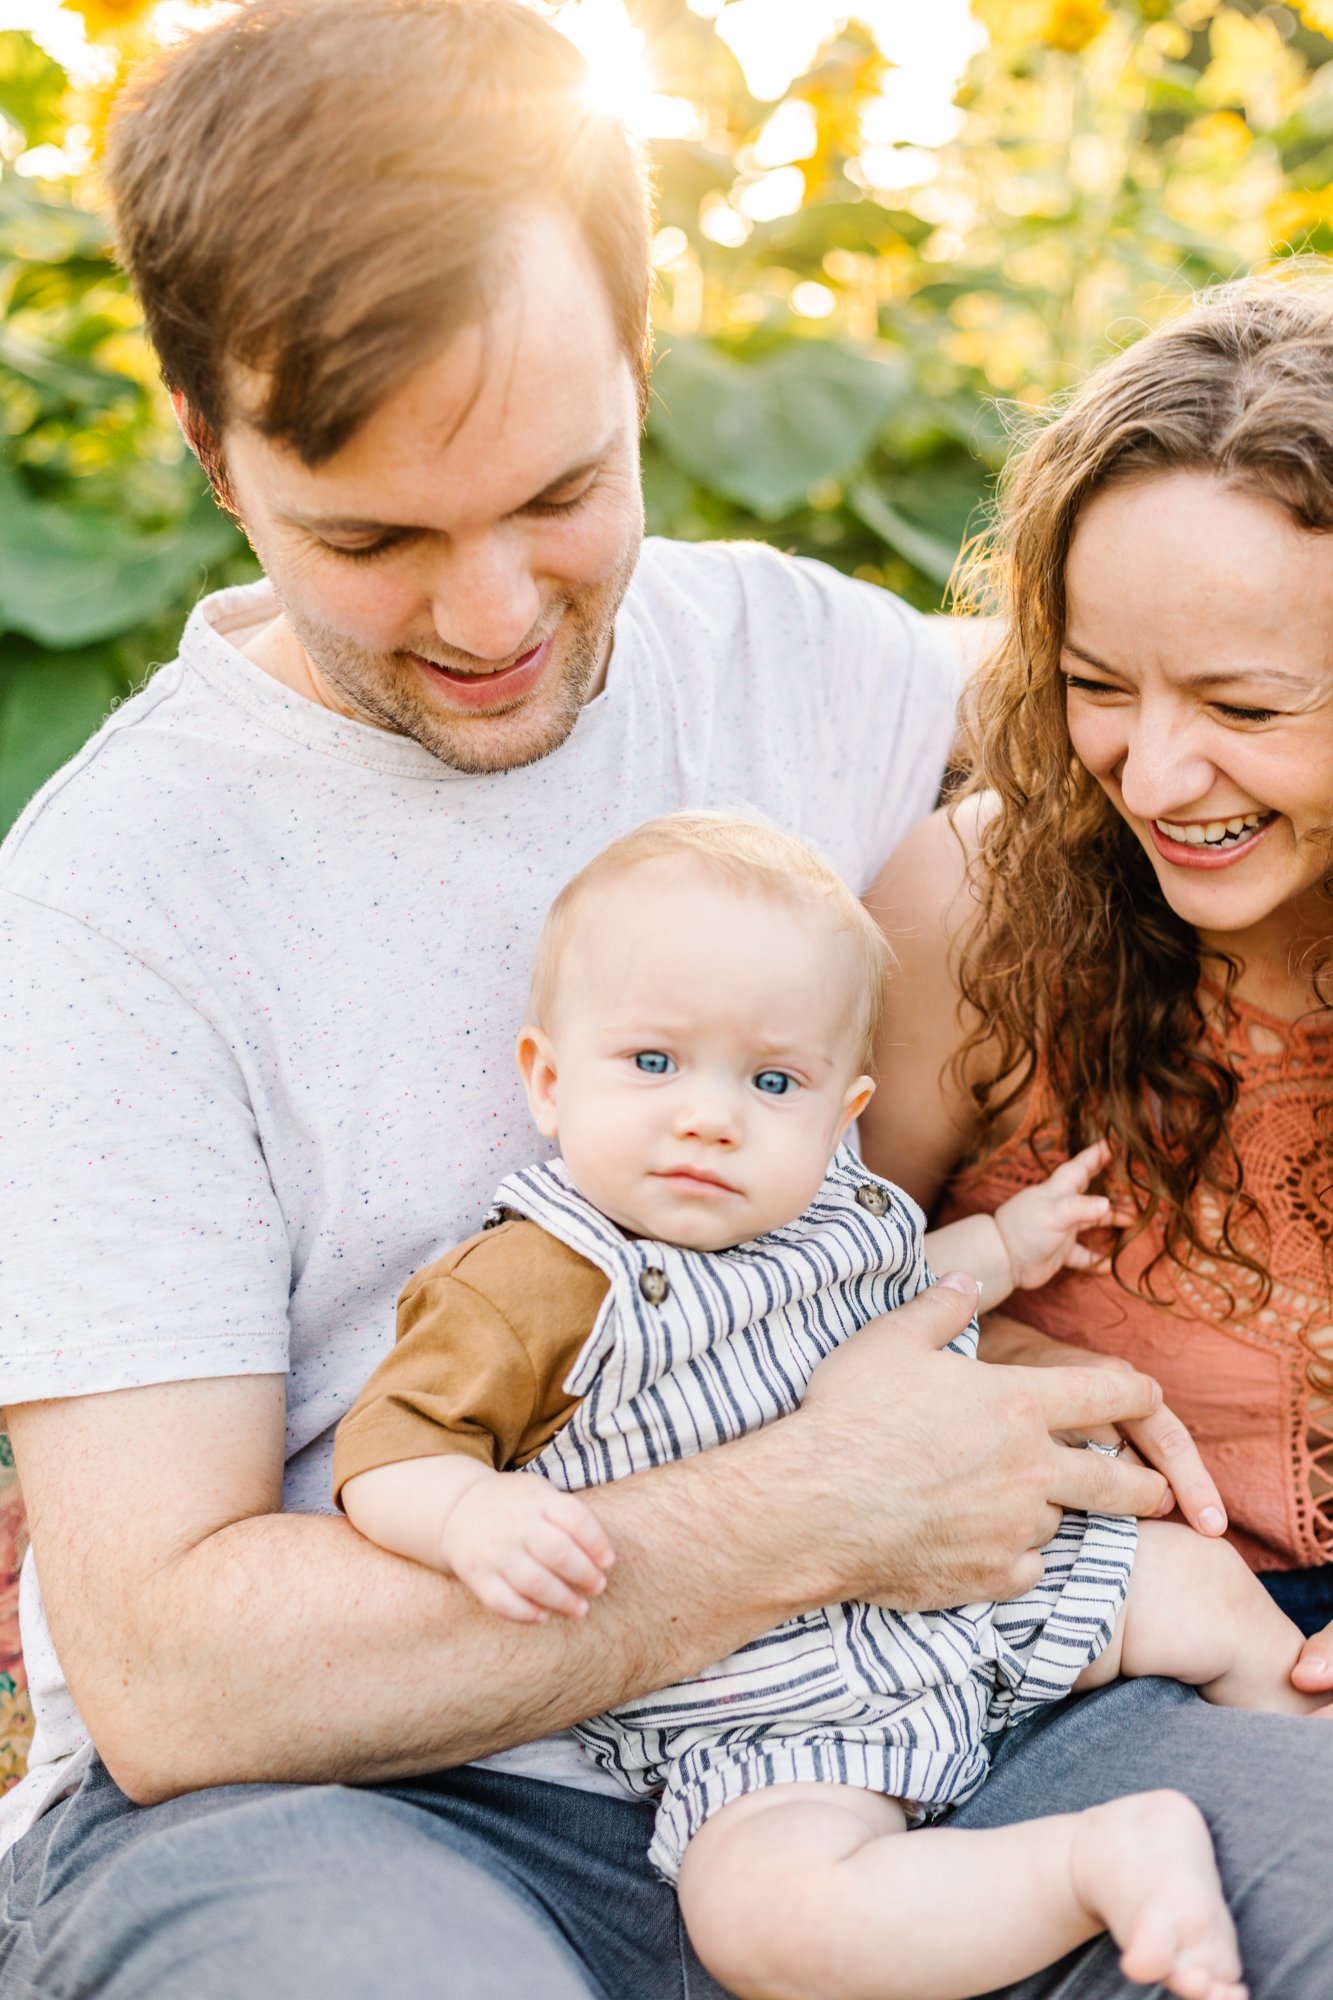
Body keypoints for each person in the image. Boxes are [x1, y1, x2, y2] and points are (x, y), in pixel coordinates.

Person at [0, 3, 1328, 1995]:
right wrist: (819, 1507)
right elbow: (182, 1677)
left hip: (925, 1712)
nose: (493, 617)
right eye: (374, 536)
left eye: (560, 493)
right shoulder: (119, 901)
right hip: (371, 1798)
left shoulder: (795, 657)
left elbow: (1195, 669)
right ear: (214, 446)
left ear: (642, 363)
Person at [337, 810, 1326, 2000]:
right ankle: (1092, 1860)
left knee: (1195, 1583)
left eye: (771, 1080)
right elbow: (388, 1451)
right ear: (546, 1080)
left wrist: (1011, 1241)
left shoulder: (834, 1214)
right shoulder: (532, 1280)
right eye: (652, 1062)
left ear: (840, 1109)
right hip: (768, 1702)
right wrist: (464, 1519)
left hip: (981, 1585)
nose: (710, 1115)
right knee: (766, 1918)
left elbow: (915, 1275)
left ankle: (1305, 1726)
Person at [863, 274, 1333, 1667]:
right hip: (1075, 1653)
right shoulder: (972, 909)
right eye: (1098, 685)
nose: (1159, 773)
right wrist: (1001, 1361)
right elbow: (786, 1310)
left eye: (1244, 707)